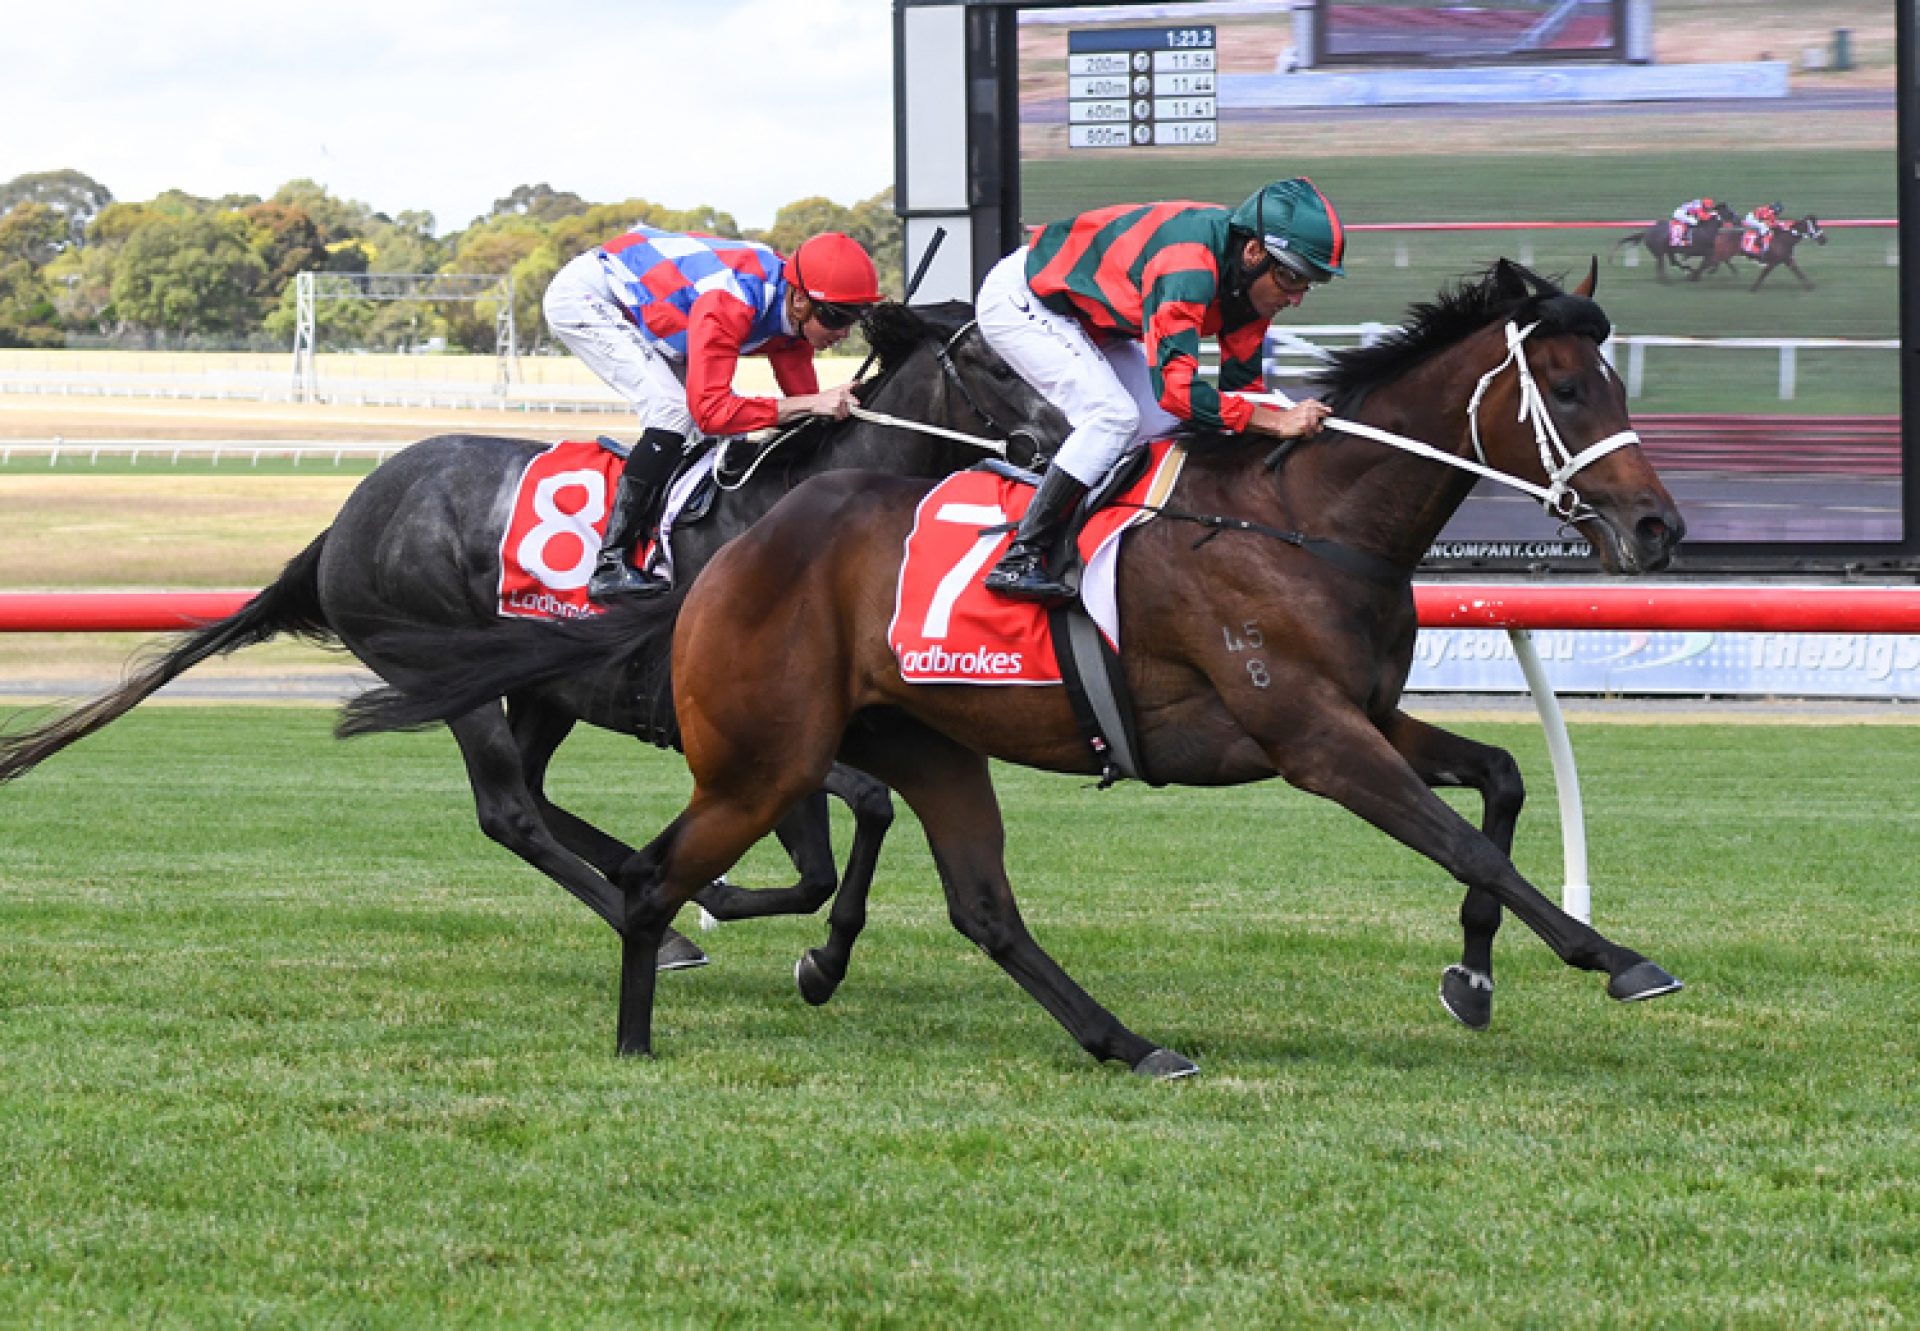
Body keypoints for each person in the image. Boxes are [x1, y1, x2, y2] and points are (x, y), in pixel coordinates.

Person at [973, 177, 1344, 603]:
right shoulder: (1188, 265)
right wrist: (1277, 421)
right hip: (1025, 301)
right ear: (1254, 252)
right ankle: (1021, 555)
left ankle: (1109, 536)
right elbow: (1179, 392)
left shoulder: (1254, 291)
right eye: (1290, 277)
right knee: (1113, 416)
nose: (1295, 297)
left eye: (1307, 283)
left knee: (1166, 428)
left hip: (1096, 319)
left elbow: (1243, 393)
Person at [543, 226, 881, 597]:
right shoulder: (732, 300)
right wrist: (811, 404)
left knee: (727, 439)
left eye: (854, 318)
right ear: (799, 301)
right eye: (836, 317)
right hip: (593, 295)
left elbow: (807, 406)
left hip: (662, 310)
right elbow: (711, 411)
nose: (844, 332)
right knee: (673, 412)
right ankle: (610, 562)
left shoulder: (794, 319)